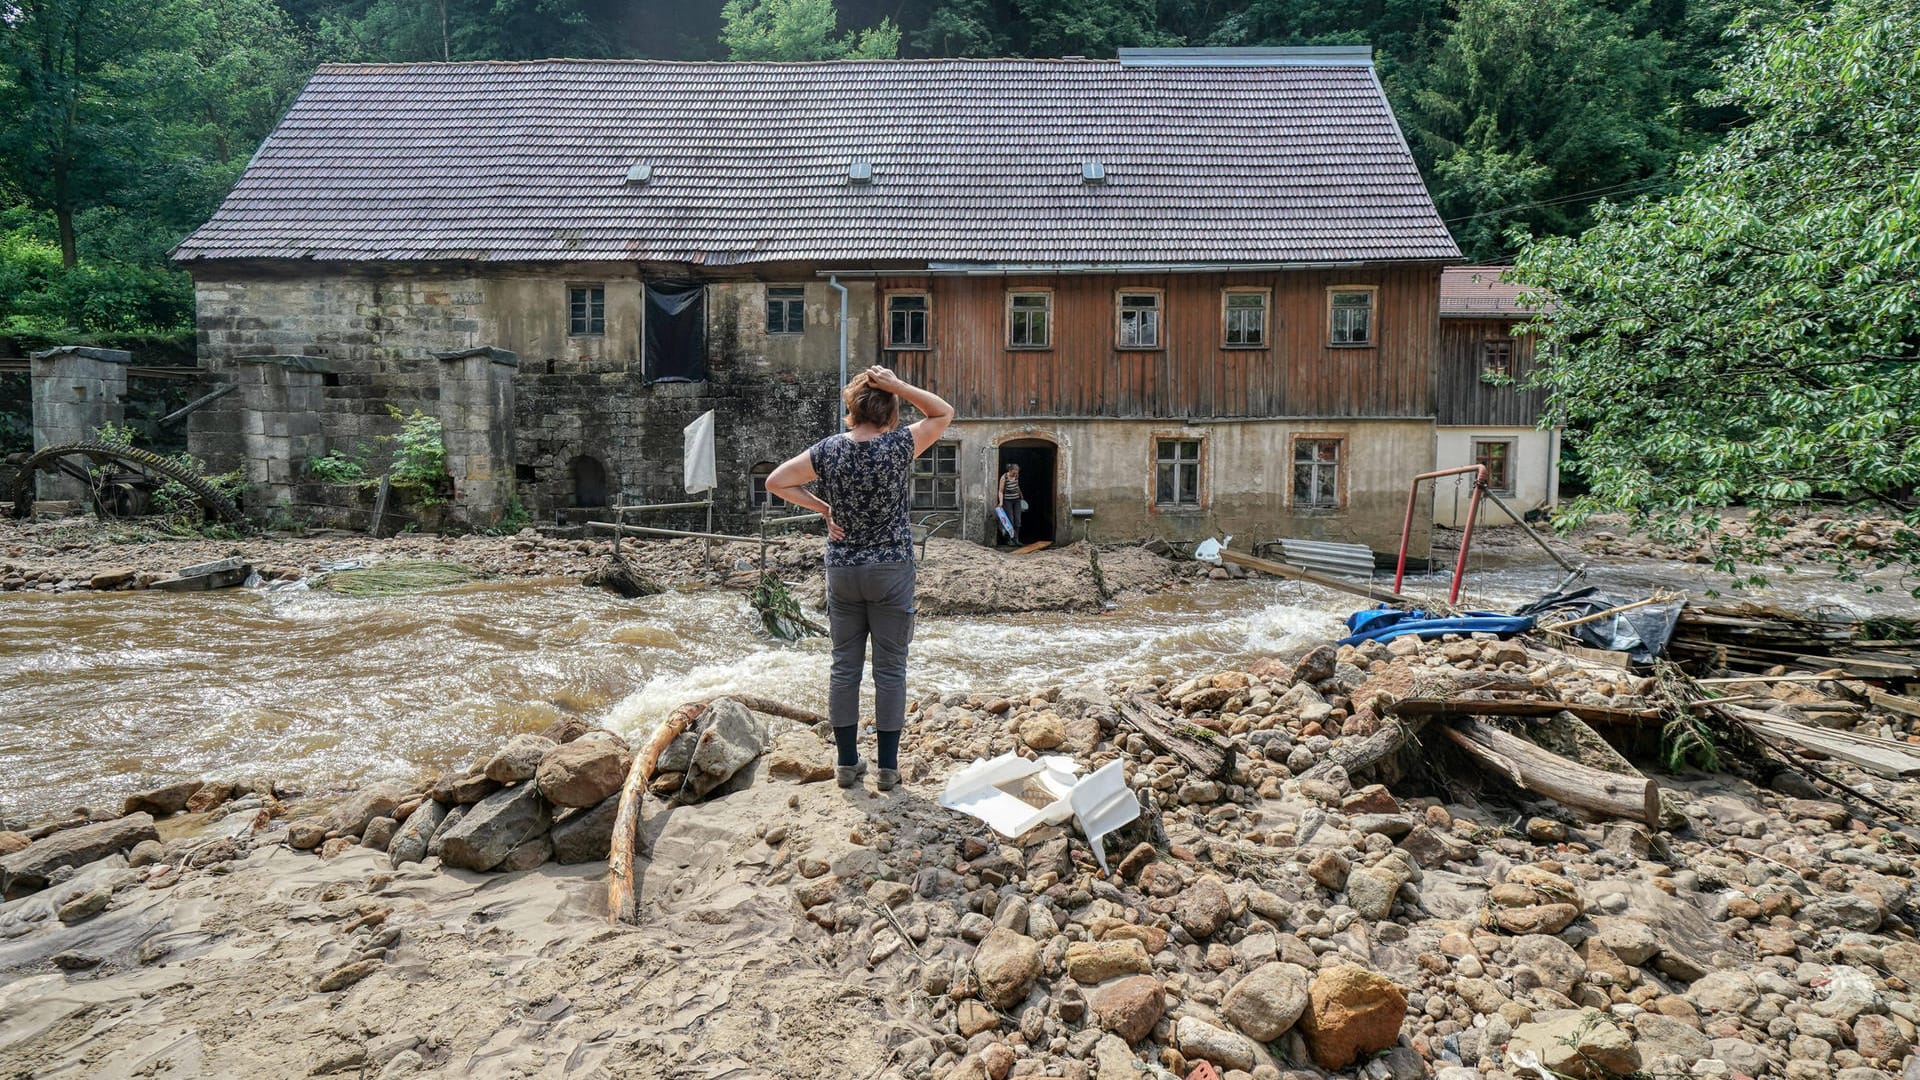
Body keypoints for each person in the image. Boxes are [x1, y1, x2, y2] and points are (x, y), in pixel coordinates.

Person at [766, 365, 954, 790]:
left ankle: (847, 764)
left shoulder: (829, 450)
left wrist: (824, 509)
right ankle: (888, 768)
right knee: (890, 670)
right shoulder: (899, 444)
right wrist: (900, 384)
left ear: (852, 409)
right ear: (890, 410)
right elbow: (943, 413)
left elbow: (776, 481)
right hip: (891, 568)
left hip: (844, 569)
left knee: (844, 667)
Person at [998, 464, 1023, 545]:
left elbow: (1017, 486)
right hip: (1008, 500)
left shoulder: (1016, 476)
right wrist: (1001, 502)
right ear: (1009, 470)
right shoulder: (1004, 477)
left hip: (1017, 500)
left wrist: (1021, 496)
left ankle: (1016, 539)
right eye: (1013, 473)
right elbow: (1000, 491)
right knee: (1010, 520)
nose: (1015, 475)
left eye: (1016, 473)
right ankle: (1009, 539)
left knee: (1018, 520)